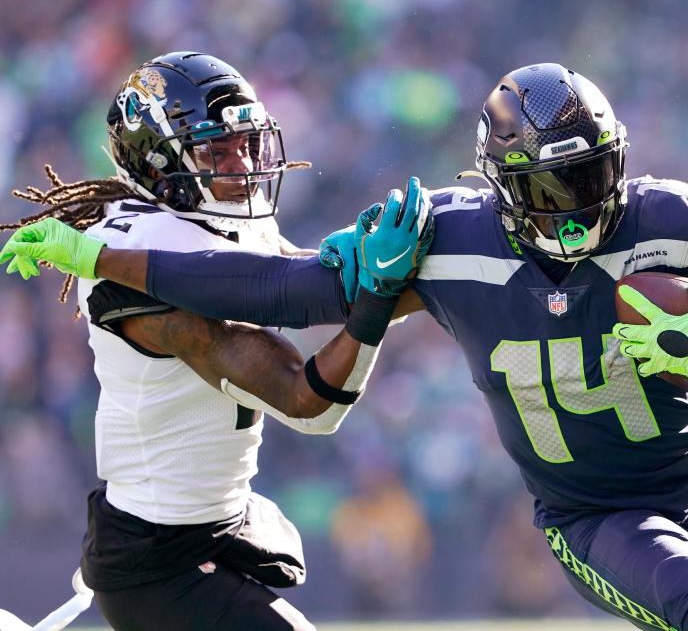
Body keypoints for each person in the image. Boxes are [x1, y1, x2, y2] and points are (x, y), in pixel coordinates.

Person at [3, 63, 688, 631]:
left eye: (591, 178)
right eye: (550, 188)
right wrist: (95, 257)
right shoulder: (448, 239)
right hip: (595, 513)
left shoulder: (670, 224)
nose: (577, 210)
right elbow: (289, 295)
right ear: (500, 186)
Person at [0, 51, 433, 631]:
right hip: (158, 559)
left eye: (247, 145)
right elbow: (305, 402)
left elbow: (310, 286)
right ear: (156, 164)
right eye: (216, 151)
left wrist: (434, 279)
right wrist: (383, 295)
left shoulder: (215, 218)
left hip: (218, 524)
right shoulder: (136, 259)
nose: (241, 165)